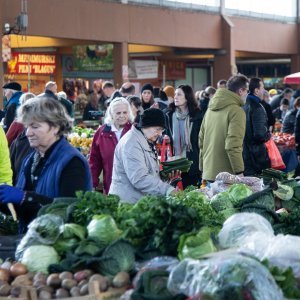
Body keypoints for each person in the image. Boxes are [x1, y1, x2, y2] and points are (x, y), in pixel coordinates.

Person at [0, 97, 92, 233]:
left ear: (55, 127)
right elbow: (23, 210)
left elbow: (70, 212)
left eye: (35, 127)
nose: (28, 133)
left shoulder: (72, 162)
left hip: (59, 246)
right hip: (34, 242)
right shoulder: (31, 159)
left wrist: (26, 197)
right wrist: (5, 202)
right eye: (27, 126)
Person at [109, 108, 177, 203]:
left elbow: (147, 170)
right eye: (158, 129)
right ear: (146, 125)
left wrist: (163, 175)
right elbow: (139, 178)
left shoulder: (145, 139)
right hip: (128, 204)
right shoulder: (131, 143)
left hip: (139, 202)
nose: (160, 133)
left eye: (162, 130)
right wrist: (168, 190)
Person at [199, 74, 248, 182]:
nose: (247, 94)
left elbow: (201, 141)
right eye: (246, 91)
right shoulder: (237, 111)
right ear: (241, 91)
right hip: (227, 177)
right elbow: (233, 145)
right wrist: (239, 172)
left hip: (208, 173)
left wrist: (203, 168)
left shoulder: (210, 109)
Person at [89, 97, 133, 194]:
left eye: (125, 112)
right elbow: (94, 162)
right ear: (111, 114)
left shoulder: (134, 131)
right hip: (111, 187)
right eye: (118, 113)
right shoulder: (101, 133)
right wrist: (92, 184)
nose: (122, 116)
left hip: (133, 187)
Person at [165, 84, 202, 187]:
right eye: (175, 94)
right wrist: (164, 138)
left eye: (179, 94)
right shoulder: (168, 115)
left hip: (192, 162)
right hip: (174, 163)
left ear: (187, 97)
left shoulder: (197, 116)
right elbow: (161, 135)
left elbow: (200, 141)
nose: (175, 97)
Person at [243, 77, 271, 176]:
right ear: (256, 90)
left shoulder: (243, 105)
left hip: (244, 154)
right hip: (256, 157)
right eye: (262, 88)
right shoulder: (257, 107)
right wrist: (268, 135)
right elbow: (260, 135)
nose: (264, 91)